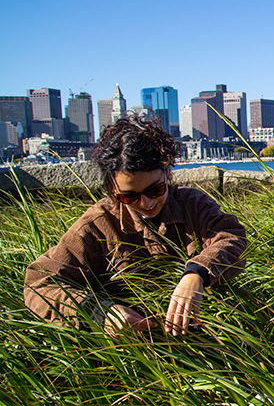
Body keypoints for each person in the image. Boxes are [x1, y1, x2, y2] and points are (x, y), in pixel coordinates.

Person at [24, 115, 247, 337]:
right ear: (112, 190)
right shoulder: (95, 226)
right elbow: (38, 283)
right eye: (129, 196)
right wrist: (98, 312)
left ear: (167, 173)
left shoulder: (193, 204)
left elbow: (232, 238)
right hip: (133, 352)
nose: (146, 203)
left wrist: (197, 274)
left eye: (155, 190)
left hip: (205, 339)